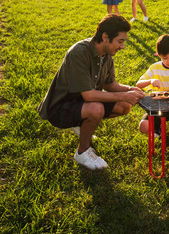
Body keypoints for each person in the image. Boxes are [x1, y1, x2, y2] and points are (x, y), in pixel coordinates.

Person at [38, 14, 145, 170]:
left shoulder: (107, 55)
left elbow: (110, 85)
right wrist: (124, 95)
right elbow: (89, 95)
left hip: (82, 102)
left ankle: (81, 124)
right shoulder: (79, 52)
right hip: (60, 108)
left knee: (124, 106)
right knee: (96, 108)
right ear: (105, 37)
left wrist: (131, 90)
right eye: (120, 41)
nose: (122, 46)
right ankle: (82, 152)